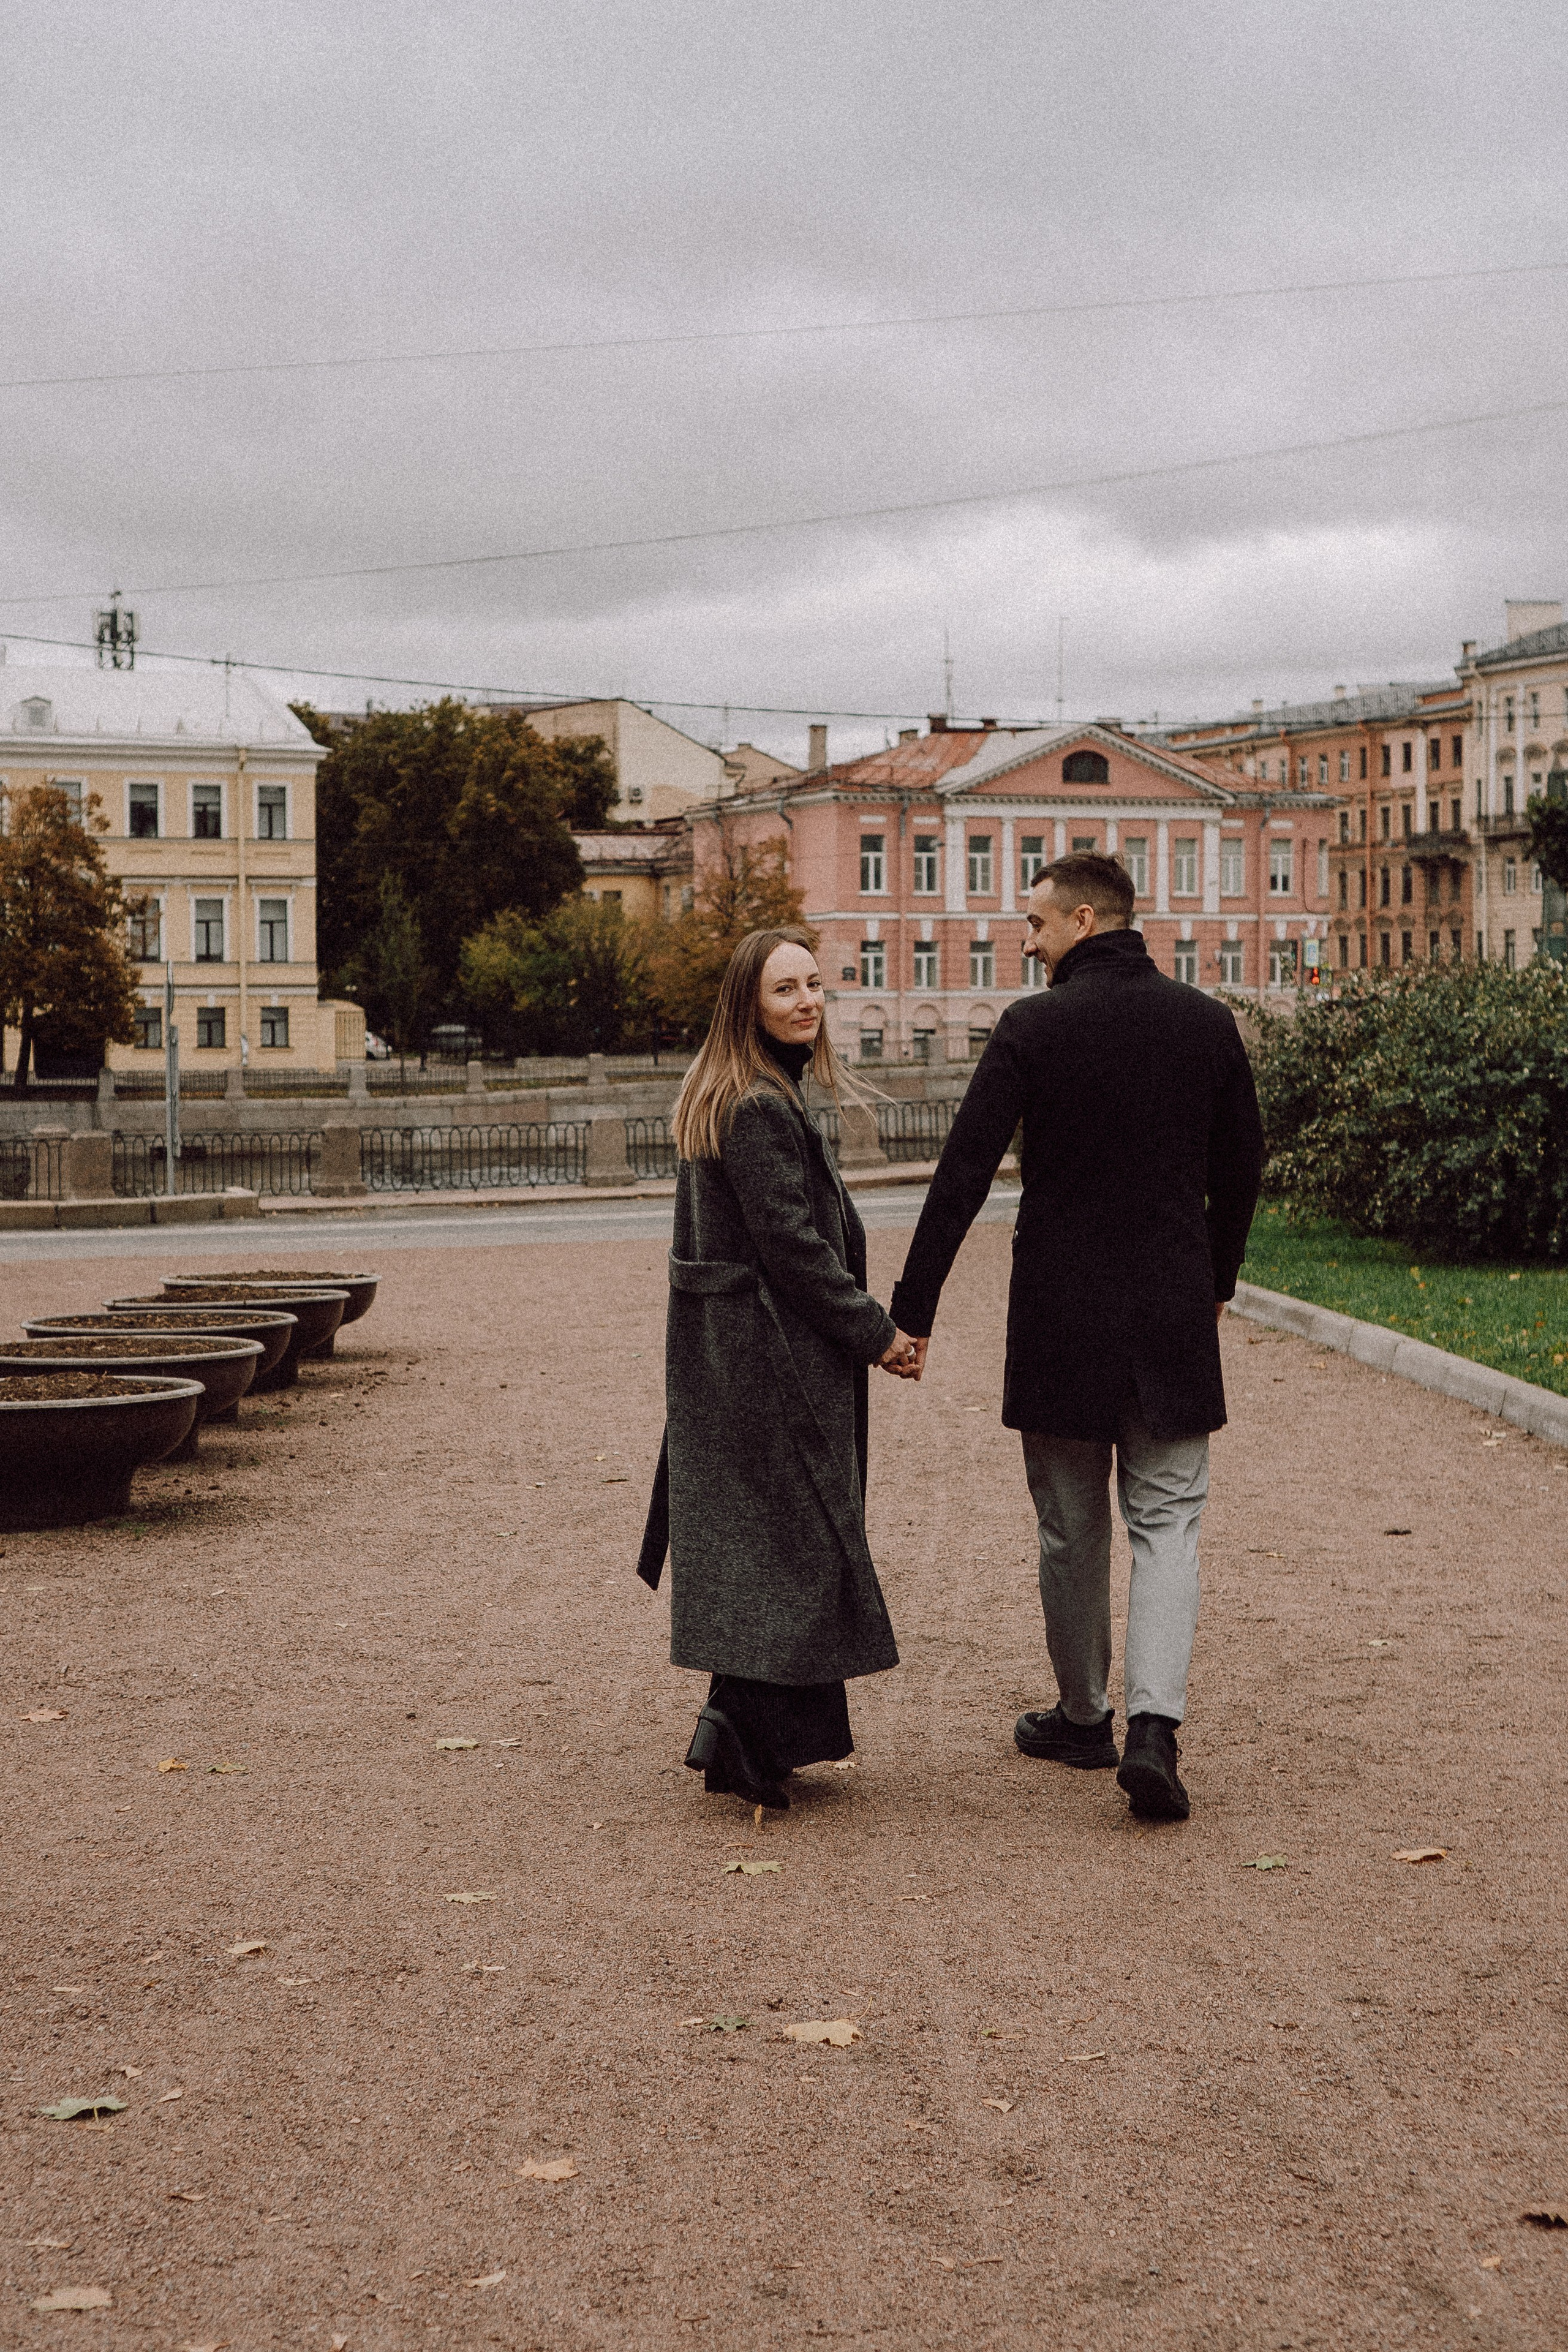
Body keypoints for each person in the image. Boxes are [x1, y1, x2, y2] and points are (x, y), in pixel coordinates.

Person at [889, 854, 1264, 1823]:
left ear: (1086, 920)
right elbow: (1244, 1165)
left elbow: (963, 1170)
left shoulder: (1034, 1027)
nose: (1029, 940)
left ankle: (1084, 1715)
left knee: (1070, 1524)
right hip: (1174, 1310)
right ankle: (1155, 1728)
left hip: (1061, 1315)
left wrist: (913, 1309)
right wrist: (1218, 1277)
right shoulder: (1206, 1023)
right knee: (1170, 1520)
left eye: (1038, 925)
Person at [638, 927, 923, 1810]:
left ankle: (746, 1729)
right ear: (747, 1007)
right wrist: (877, 1334)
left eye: (815, 984)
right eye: (784, 990)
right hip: (774, 1360)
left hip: (740, 1358)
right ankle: (741, 1737)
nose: (807, 1002)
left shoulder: (735, 1089)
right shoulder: (758, 1105)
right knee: (798, 1540)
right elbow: (794, 1251)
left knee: (768, 1542)